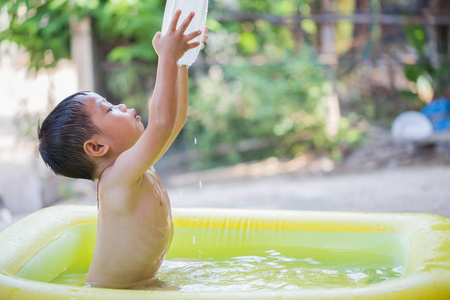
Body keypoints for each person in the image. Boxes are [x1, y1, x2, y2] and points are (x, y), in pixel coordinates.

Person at [37, 10, 207, 289]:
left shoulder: (136, 169)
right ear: (97, 147)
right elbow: (162, 124)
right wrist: (167, 57)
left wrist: (181, 62)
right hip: (109, 294)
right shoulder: (117, 180)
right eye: (111, 108)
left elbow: (174, 121)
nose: (124, 106)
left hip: (136, 288)